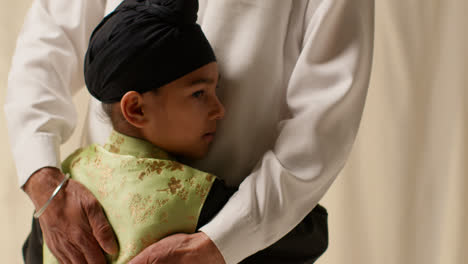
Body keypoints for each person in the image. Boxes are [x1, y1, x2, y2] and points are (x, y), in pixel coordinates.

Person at [5, 0, 374, 263]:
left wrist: (221, 242)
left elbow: (322, 122)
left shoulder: (75, 172)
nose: (218, 109)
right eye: (200, 94)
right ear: (133, 107)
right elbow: (49, 40)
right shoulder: (66, 197)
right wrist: (43, 182)